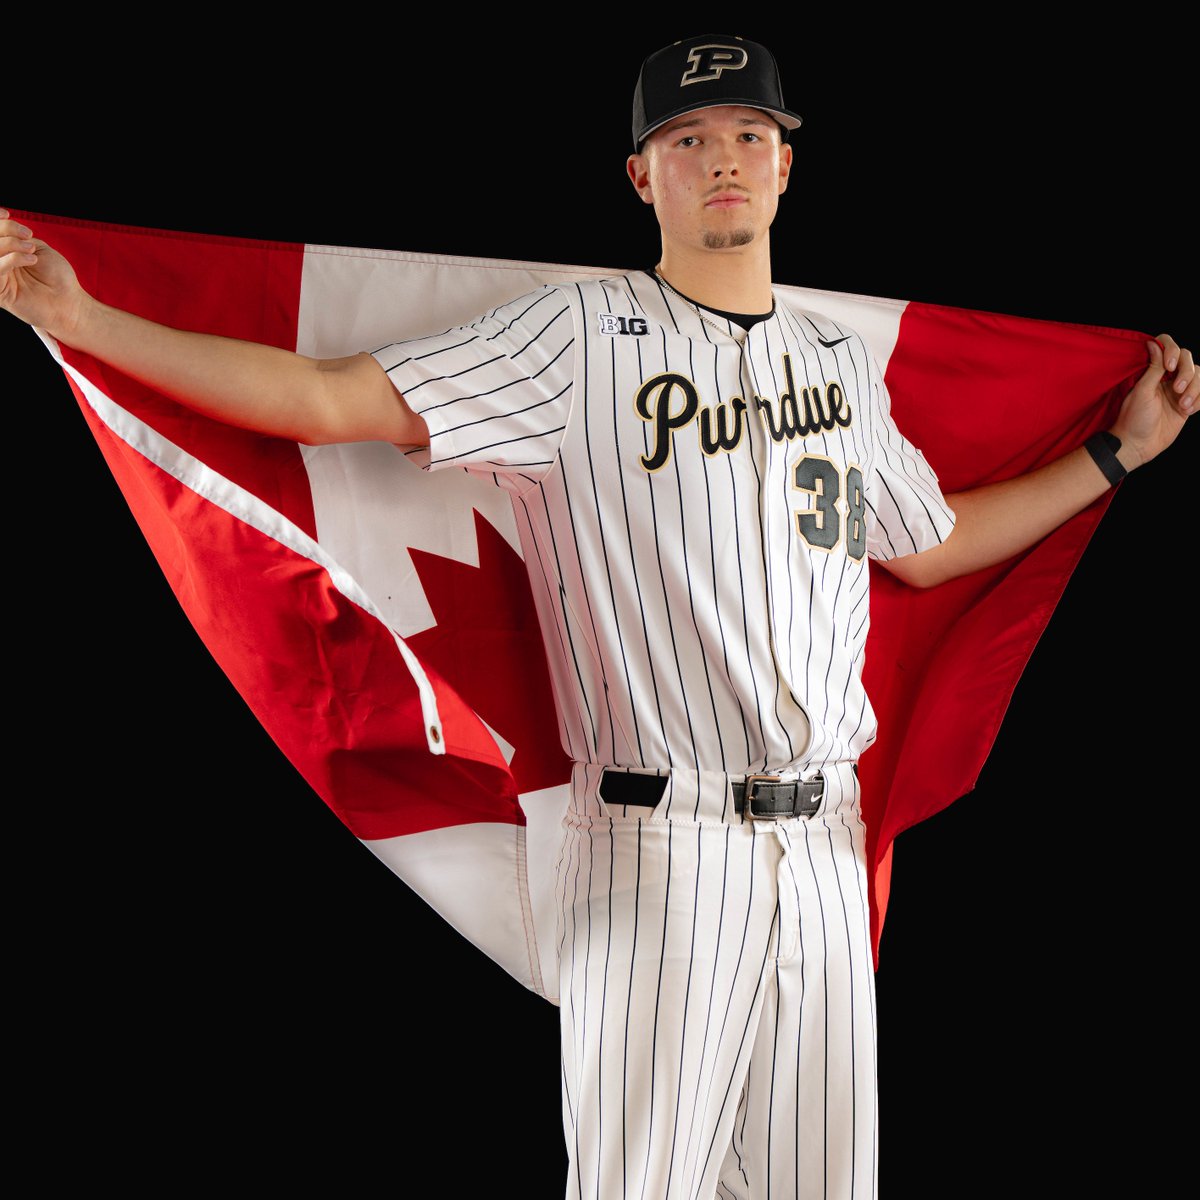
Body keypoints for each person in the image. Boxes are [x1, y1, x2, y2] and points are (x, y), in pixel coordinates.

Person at [4, 32, 1193, 1199]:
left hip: (825, 848)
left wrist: (1117, 456)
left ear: (786, 164)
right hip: (660, 844)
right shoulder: (576, 336)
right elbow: (328, 399)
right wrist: (88, 322)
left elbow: (929, 549)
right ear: (642, 175)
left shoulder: (836, 364)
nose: (721, 157)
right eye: (687, 138)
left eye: (748, 134)